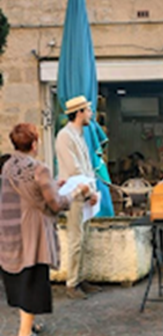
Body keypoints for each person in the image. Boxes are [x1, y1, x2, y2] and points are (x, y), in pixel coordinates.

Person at [3, 124, 79, 336]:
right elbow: (54, 204)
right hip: (31, 233)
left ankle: (28, 324)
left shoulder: (6, 165)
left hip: (8, 230)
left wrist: (54, 185)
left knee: (20, 280)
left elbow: (31, 192)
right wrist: (76, 193)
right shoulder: (39, 168)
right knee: (33, 280)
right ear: (35, 143)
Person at [54, 96, 101, 299]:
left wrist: (93, 192)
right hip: (74, 193)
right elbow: (75, 170)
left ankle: (80, 278)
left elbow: (87, 169)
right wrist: (90, 192)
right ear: (80, 112)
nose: (91, 114)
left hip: (85, 192)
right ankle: (72, 282)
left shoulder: (79, 135)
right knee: (75, 238)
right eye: (88, 110)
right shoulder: (65, 136)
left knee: (84, 238)